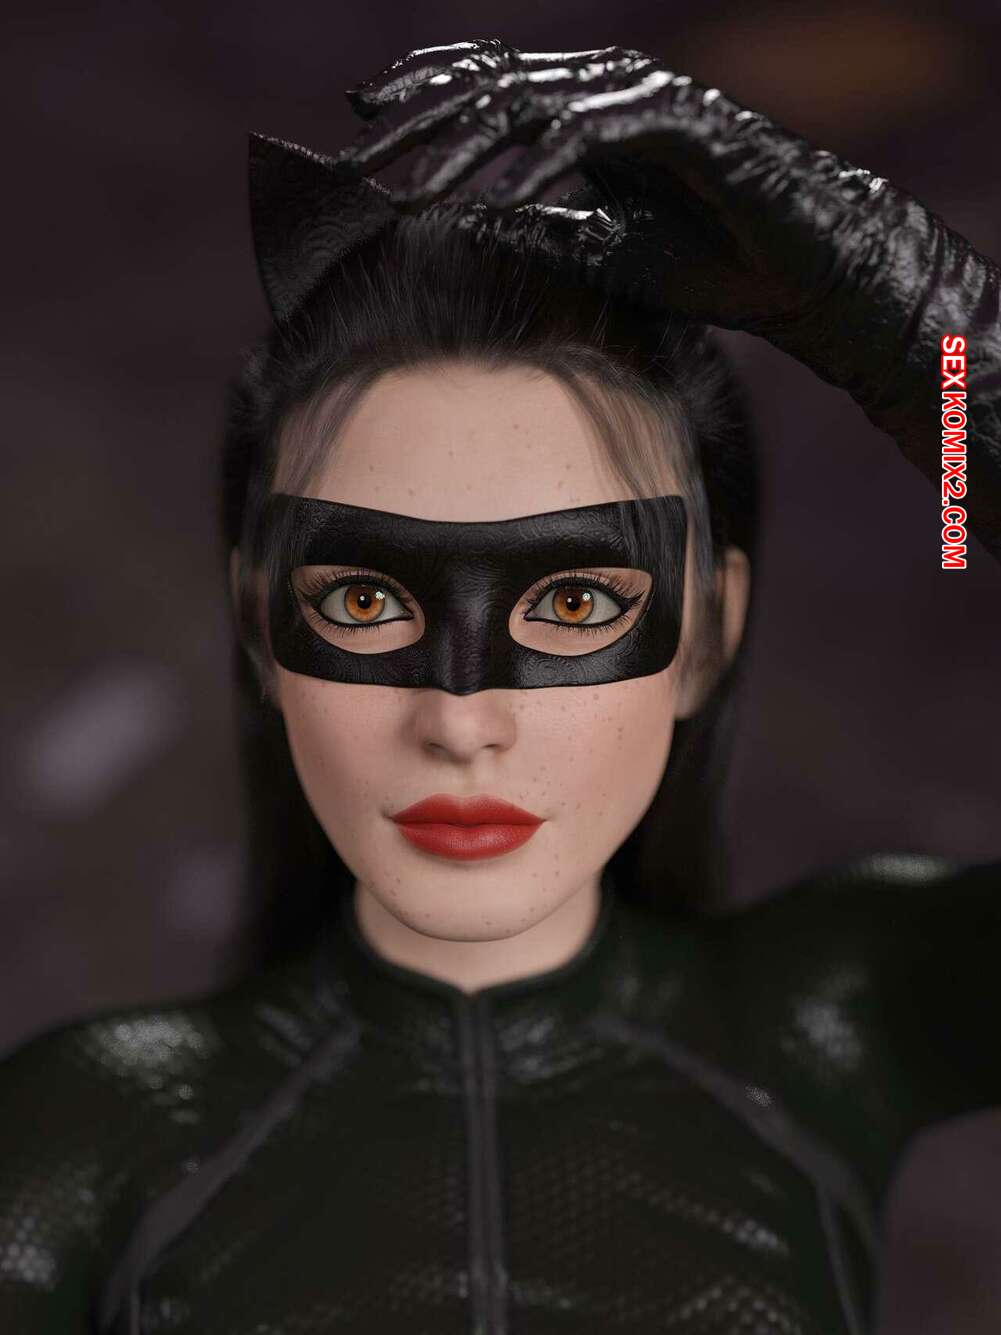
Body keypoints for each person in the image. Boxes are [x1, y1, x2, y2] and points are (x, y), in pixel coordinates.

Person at [0, 40, 998, 1335]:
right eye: (363, 602)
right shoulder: (83, 1134)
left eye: (575, 603)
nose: (461, 722)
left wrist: (917, 323)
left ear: (708, 633)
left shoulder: (841, 1014)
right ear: (258, 629)